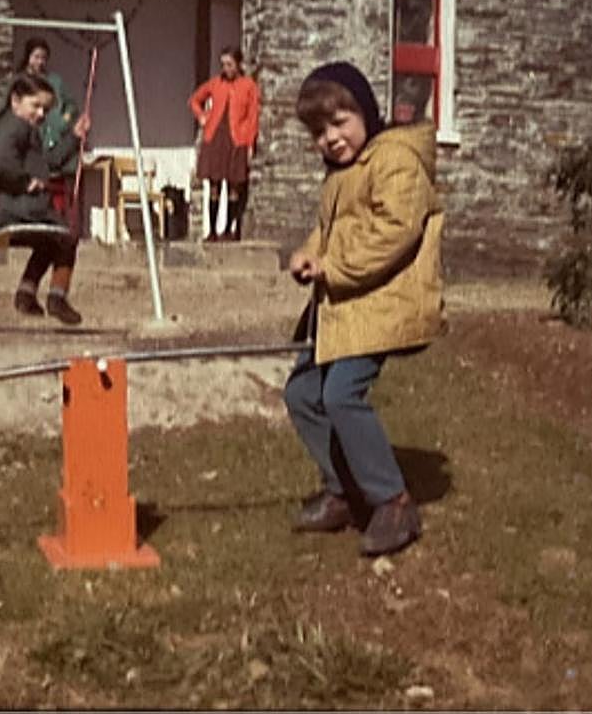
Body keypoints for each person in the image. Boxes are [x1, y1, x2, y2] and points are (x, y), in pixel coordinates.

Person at [283, 62, 444, 557]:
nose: (331, 138)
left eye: (340, 122)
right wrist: (310, 252)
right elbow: (329, 229)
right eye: (319, 131)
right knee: (303, 392)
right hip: (345, 306)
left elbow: (395, 231)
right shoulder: (341, 174)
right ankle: (344, 491)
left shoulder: (394, 161)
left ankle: (393, 502)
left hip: (381, 303)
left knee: (341, 394)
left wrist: (332, 267)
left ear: (366, 112)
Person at [0, 72, 90, 325]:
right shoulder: (13, 126)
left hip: (20, 208)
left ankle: (26, 294)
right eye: (36, 106)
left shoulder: (25, 130)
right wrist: (23, 181)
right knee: (67, 237)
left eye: (45, 109)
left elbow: (49, 162)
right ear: (15, 101)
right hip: (20, 208)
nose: (41, 114)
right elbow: (1, 156)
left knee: (49, 242)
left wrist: (74, 136)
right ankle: (57, 297)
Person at [188, 46, 261, 241]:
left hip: (237, 139)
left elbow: (253, 116)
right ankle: (212, 231)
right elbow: (195, 100)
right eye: (223, 65)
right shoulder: (215, 83)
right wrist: (202, 116)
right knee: (214, 185)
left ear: (238, 64)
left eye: (229, 64)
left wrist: (250, 142)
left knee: (234, 186)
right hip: (215, 137)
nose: (226, 69)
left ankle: (229, 229)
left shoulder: (248, 86)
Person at [20, 36, 81, 196]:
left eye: (43, 58)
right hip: (34, 141)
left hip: (55, 139)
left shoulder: (55, 81)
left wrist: (64, 120)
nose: (40, 62)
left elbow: (72, 106)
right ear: (28, 57)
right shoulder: (21, 81)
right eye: (36, 57)